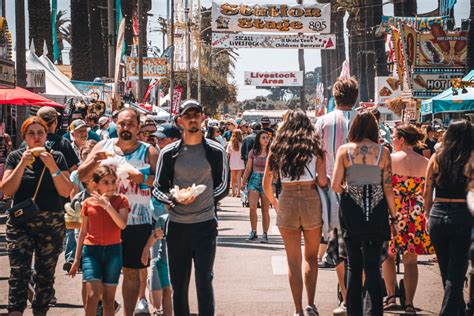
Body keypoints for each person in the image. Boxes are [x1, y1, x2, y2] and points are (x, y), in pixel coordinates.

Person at [78, 107, 159, 316]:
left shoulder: (148, 151)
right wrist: (95, 161)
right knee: (103, 278)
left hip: (137, 222)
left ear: (138, 127)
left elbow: (161, 183)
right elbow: (82, 176)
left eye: (131, 124)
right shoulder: (103, 146)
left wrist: (144, 180)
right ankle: (107, 308)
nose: (125, 128)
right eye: (122, 124)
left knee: (132, 273)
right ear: (116, 124)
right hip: (104, 222)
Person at [153, 99, 229, 316]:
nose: (193, 119)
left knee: (204, 281)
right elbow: (158, 189)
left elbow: (223, 186)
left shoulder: (215, 151)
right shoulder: (169, 153)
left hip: (205, 225)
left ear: (203, 118)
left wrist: (202, 198)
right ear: (180, 121)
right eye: (188, 116)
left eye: (197, 114)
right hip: (177, 227)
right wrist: (175, 199)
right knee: (179, 285)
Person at [1, 117, 73, 315]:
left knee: (45, 275)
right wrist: (22, 164)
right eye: (31, 133)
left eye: (40, 133)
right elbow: (7, 191)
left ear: (46, 135)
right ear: (24, 137)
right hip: (20, 224)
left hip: (51, 224)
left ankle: (40, 310)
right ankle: (15, 310)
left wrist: (52, 167)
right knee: (18, 274)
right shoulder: (15, 157)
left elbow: (66, 191)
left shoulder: (57, 157)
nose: (36, 137)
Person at [331, 110, 398, 315]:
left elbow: (335, 185)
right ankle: (373, 311)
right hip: (377, 209)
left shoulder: (344, 151)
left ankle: (354, 311)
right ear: (374, 128)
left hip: (352, 210)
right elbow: (388, 188)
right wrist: (394, 218)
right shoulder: (383, 152)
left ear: (354, 127)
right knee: (372, 266)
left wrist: (351, 193)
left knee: (353, 264)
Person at [263, 109, 327, 316]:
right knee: (311, 257)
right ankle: (311, 304)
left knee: (293, 260)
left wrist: (275, 202)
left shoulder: (277, 148)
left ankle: (298, 309)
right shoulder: (315, 147)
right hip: (310, 198)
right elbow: (324, 181)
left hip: (288, 199)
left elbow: (266, 184)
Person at [314, 76, 358, 314]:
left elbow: (317, 156)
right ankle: (355, 293)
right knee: (359, 245)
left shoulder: (322, 122)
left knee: (339, 246)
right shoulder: (366, 120)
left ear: (334, 96)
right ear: (355, 96)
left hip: (332, 191)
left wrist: (322, 182)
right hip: (363, 189)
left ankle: (345, 296)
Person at [382, 124, 434, 313]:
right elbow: (428, 191)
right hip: (415, 213)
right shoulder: (425, 162)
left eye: (394, 136)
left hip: (394, 211)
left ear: (402, 139)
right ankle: (410, 302)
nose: (392, 140)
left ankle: (390, 296)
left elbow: (384, 186)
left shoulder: (390, 159)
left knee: (389, 255)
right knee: (411, 259)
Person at [424, 120, 473, 315]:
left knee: (446, 270)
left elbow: (427, 190)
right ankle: (451, 311)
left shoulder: (437, 157)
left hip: (438, 214)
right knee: (456, 271)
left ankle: (457, 309)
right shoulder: (471, 158)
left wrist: (428, 214)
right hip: (463, 215)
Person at [69, 165, 130, 316]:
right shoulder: (88, 203)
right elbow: (82, 232)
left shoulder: (121, 200)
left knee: (108, 300)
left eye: (113, 182)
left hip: (113, 252)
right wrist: (76, 259)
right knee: (92, 296)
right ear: (96, 184)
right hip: (91, 252)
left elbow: (122, 224)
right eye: (105, 182)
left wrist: (107, 206)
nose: (111, 186)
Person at [242, 130, 271, 243]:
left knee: (265, 209)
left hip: (266, 180)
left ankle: (265, 234)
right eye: (263, 137)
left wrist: (274, 181)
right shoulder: (252, 152)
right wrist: (243, 181)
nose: (266, 139)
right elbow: (248, 168)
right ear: (258, 139)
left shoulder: (271, 153)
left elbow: (274, 168)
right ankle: (253, 231)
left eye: (267, 138)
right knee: (252, 207)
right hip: (254, 179)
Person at [227, 129, 246, 197]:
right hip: (240, 162)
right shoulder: (242, 144)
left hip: (232, 162)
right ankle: (238, 193)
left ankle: (233, 193)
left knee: (233, 178)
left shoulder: (230, 144)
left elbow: (228, 154)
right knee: (239, 178)